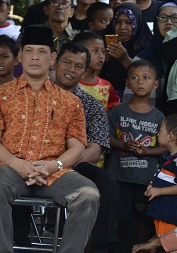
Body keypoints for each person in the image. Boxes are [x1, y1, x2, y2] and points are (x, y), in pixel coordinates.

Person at [0, 26, 99, 253]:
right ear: (20, 56)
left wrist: (53, 165)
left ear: (53, 58)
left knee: (89, 193)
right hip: (9, 169)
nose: (35, 57)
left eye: (42, 51)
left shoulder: (70, 101)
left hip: (54, 172)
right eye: (29, 51)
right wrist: (19, 164)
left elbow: (77, 147)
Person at [52, 42, 118, 253]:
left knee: (105, 180)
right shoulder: (37, 94)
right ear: (56, 61)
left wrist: (64, 163)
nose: (71, 69)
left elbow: (95, 149)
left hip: (73, 165)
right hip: (33, 161)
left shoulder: (91, 104)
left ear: (85, 71)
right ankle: (19, 237)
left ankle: (102, 247)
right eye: (67, 62)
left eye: (78, 66)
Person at [107, 60, 167, 252]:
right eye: (134, 78)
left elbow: (165, 147)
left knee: (144, 220)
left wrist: (146, 151)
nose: (140, 82)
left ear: (155, 84)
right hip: (119, 176)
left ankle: (140, 249)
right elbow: (106, 138)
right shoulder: (118, 110)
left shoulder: (159, 117)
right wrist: (124, 144)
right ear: (127, 83)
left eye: (146, 78)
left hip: (146, 180)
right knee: (117, 218)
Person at [131, 115, 177, 253]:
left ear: (170, 136)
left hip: (169, 215)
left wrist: (159, 191)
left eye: (160, 130)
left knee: (169, 246)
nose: (157, 133)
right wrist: (153, 187)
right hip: (163, 215)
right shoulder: (168, 158)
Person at [101, 2, 153, 98]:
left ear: (137, 23)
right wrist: (101, 61)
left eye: (128, 22)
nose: (122, 27)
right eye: (118, 22)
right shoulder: (101, 43)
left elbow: (146, 80)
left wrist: (125, 59)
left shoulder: (148, 46)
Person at [73, 31, 120, 111]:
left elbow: (115, 111)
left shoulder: (106, 86)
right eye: (95, 51)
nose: (101, 56)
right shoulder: (71, 83)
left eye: (103, 51)